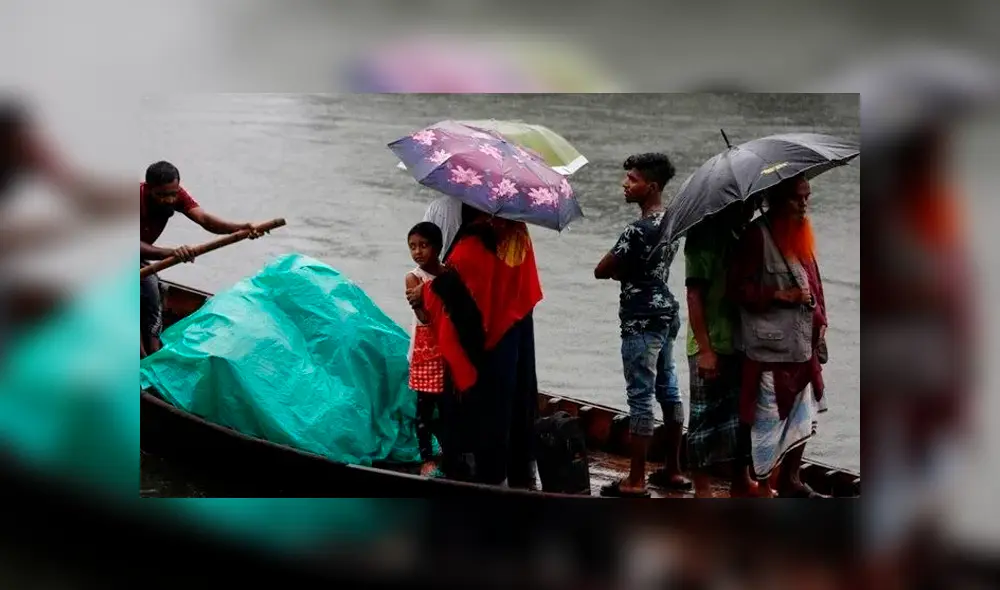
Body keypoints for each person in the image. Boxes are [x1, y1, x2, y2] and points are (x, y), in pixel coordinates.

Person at [406, 204, 542, 487]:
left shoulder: (471, 244)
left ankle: (482, 476)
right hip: (516, 326)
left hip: (485, 341)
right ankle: (520, 471)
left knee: (481, 408)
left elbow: (463, 302)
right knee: (518, 398)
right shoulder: (517, 230)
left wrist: (426, 289)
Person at [593, 153, 688, 497]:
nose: (624, 184)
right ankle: (673, 470)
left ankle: (635, 480)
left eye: (631, 179)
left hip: (641, 318)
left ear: (651, 187)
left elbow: (601, 269)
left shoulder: (637, 229)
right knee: (669, 388)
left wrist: (622, 270)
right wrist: (628, 269)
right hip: (666, 312)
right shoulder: (672, 221)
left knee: (640, 397)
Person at [729, 174, 829, 497]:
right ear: (777, 200)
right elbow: (736, 290)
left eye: (807, 197)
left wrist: (822, 320)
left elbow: (814, 284)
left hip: (803, 346)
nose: (804, 204)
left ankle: (791, 479)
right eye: (797, 198)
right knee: (765, 423)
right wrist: (779, 295)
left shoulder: (802, 233)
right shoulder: (757, 237)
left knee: (804, 413)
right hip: (771, 349)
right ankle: (759, 484)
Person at [140, 161, 261, 357]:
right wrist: (169, 253)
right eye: (161, 195)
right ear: (148, 189)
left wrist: (241, 228)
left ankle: (154, 355)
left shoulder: (176, 194)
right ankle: (140, 359)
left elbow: (204, 219)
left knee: (152, 294)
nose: (169, 200)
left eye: (173, 194)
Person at [684, 201, 760, 498]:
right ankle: (702, 488)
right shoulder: (703, 236)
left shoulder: (740, 234)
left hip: (740, 339)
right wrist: (705, 349)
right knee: (704, 417)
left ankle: (741, 480)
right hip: (711, 341)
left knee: (740, 417)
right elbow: (693, 295)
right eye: (747, 203)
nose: (752, 207)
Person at [404, 221, 448, 477]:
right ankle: (426, 460)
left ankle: (448, 453)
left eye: (423, 245)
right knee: (424, 412)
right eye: (412, 247)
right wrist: (428, 291)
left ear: (438, 247)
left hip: (446, 350)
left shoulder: (447, 274)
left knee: (446, 409)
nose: (418, 252)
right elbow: (424, 316)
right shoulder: (413, 278)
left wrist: (431, 290)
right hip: (424, 351)